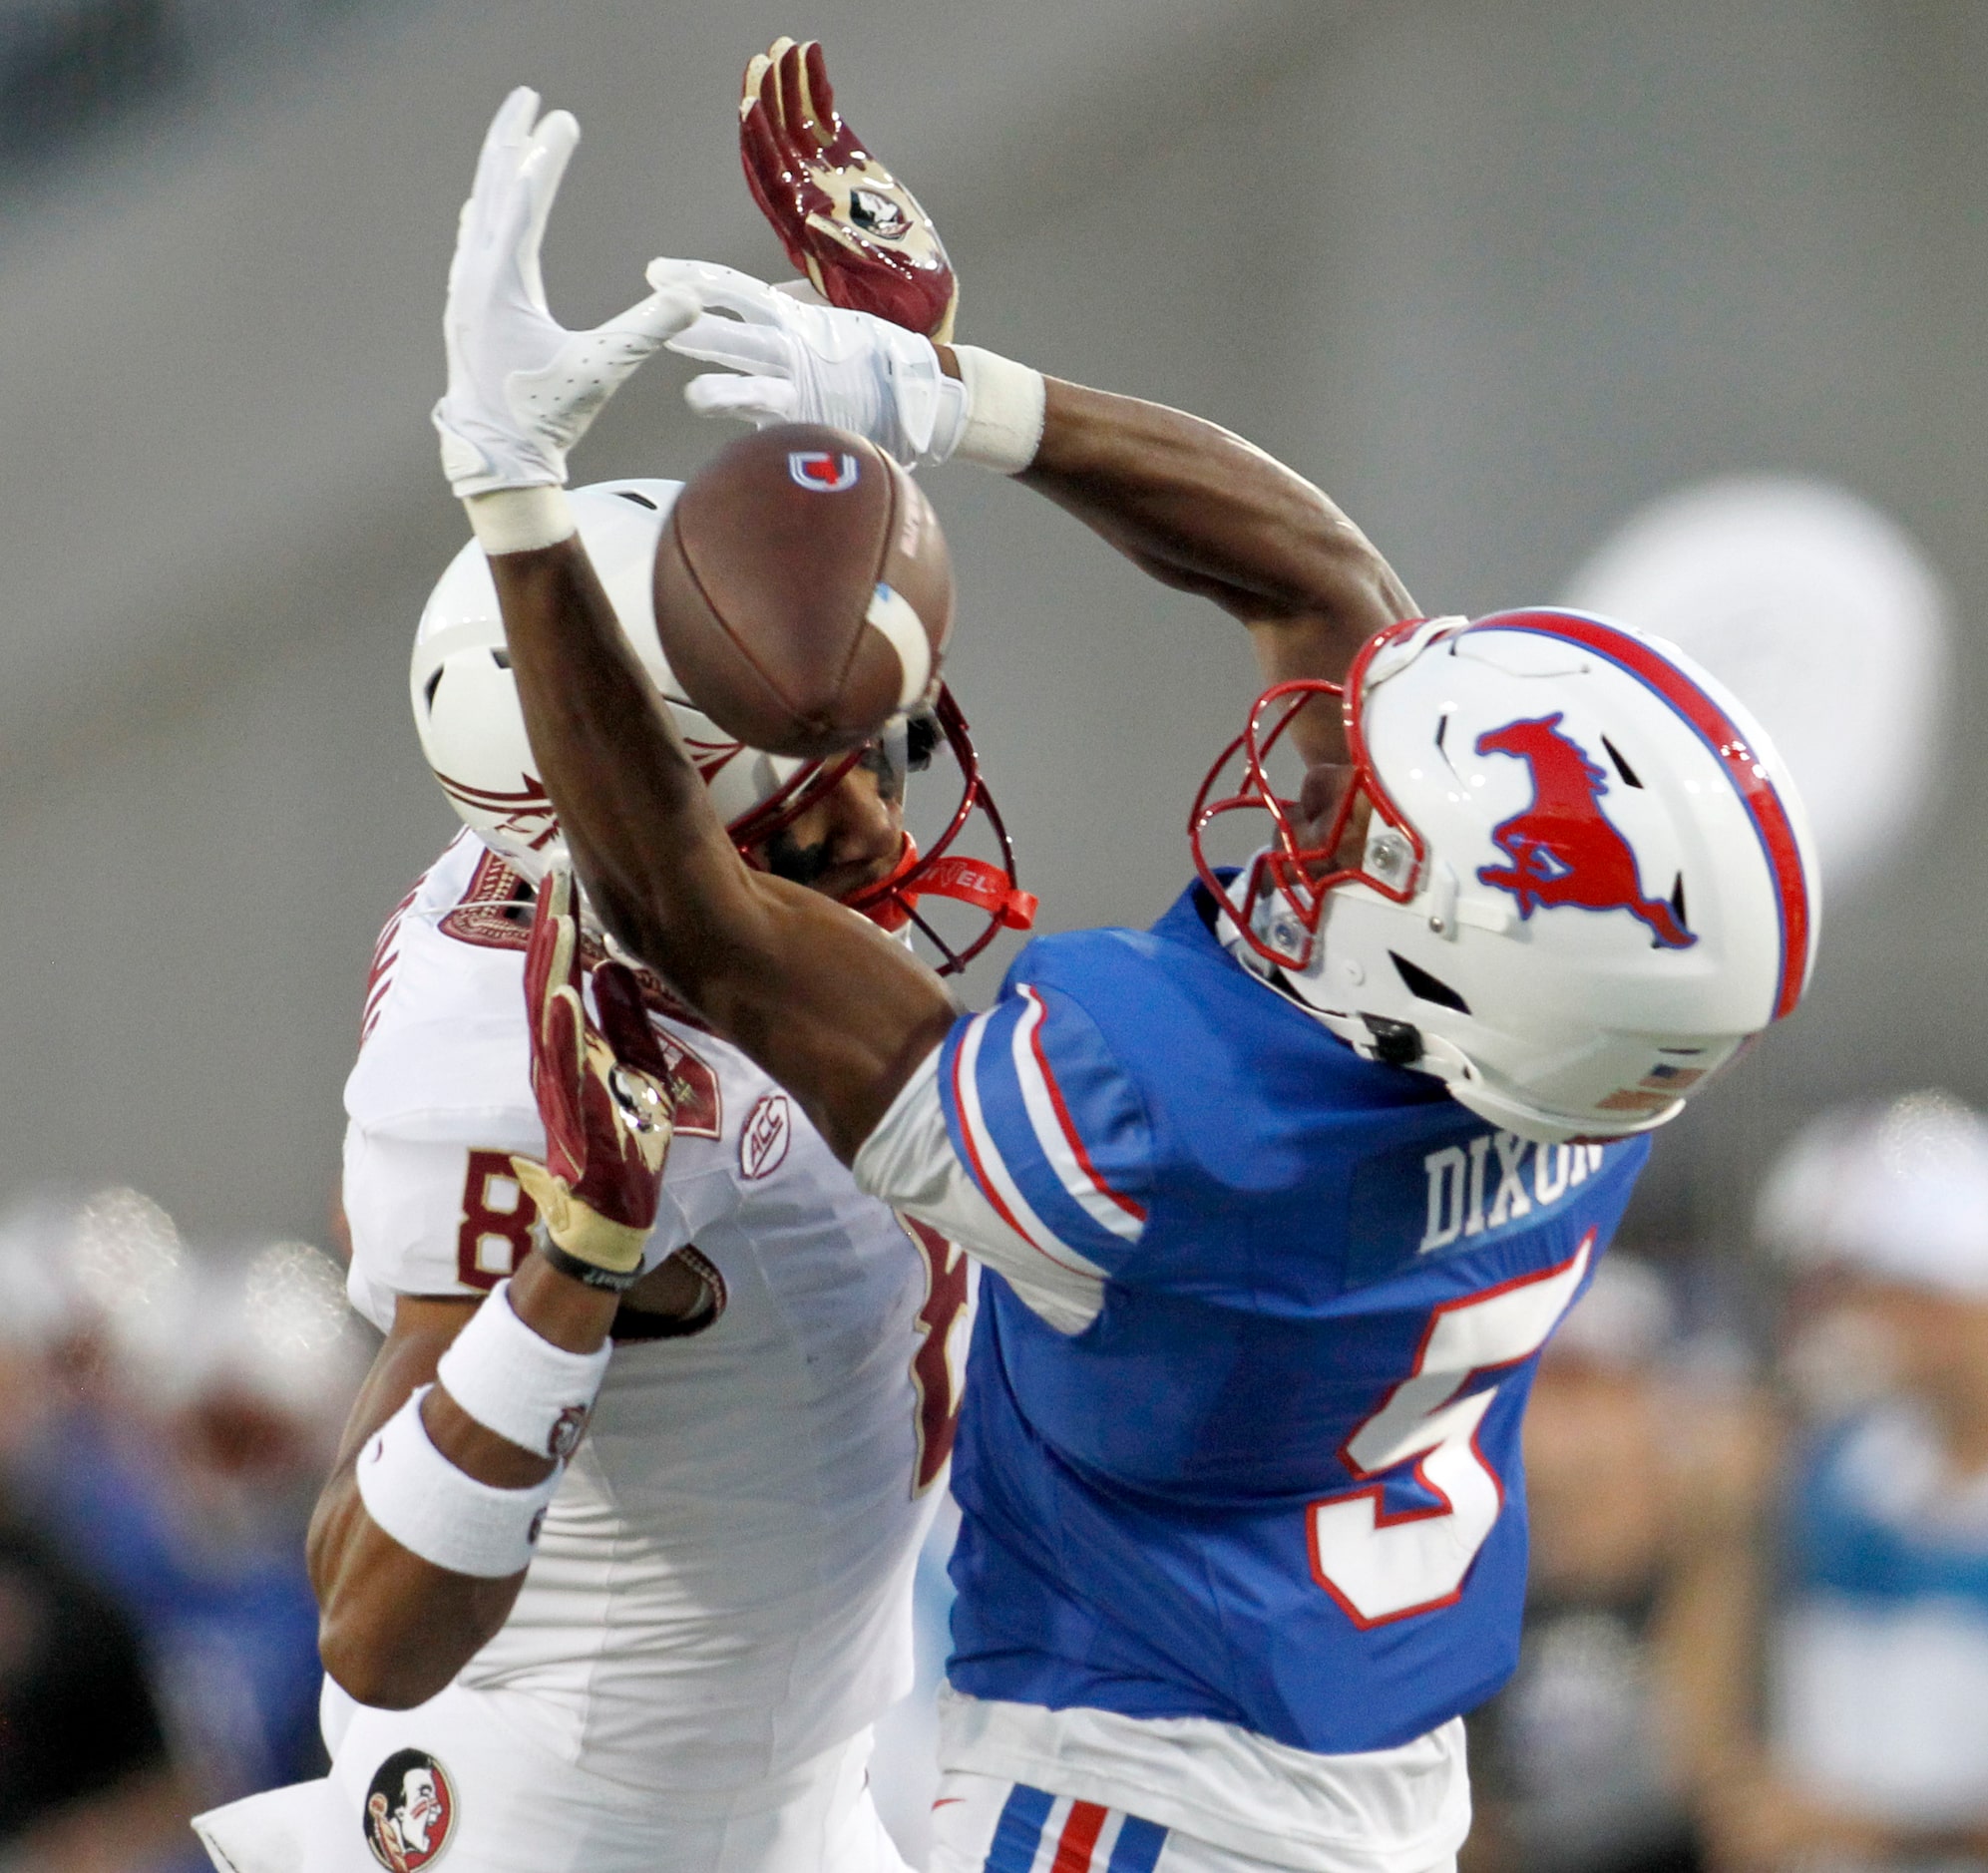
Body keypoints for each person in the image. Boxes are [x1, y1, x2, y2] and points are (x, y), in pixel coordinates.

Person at [428, 78, 1819, 1873]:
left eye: (1365, 834)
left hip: (1148, 1795)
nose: (1314, 796)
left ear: (1443, 968)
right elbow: (1323, 583)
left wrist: (514, 498)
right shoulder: (1591, 1066)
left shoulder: (1162, 1120)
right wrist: (957, 396)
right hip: (1378, 1766)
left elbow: (686, 905)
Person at [194, 59, 1026, 1873]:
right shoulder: (520, 1043)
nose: (880, 836)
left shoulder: (617, 867)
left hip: (779, 1801)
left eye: (873, 762)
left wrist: (906, 398)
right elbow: (372, 1617)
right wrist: (573, 1264)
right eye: (809, 804)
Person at [1702, 1092, 1988, 1873]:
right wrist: (1722, 1534)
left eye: (1844, 1286)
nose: (1823, 1321)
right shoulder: (1838, 1470)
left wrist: (1873, 1831)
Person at [1462, 1255, 1774, 1873]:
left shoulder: (1729, 1557)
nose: (1563, 1442)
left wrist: (1708, 1545)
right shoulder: (1467, 1571)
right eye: (1538, 1396)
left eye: (1594, 1395)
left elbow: (1709, 1778)